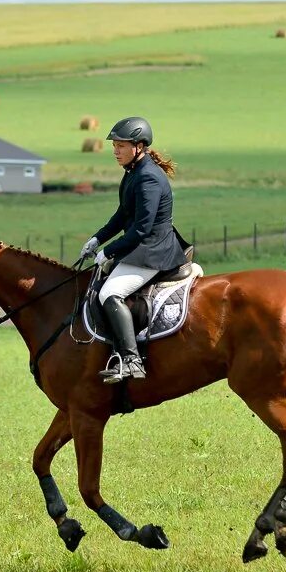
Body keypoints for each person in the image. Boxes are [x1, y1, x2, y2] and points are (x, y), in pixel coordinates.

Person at [78, 116, 187, 383]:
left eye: (121, 146)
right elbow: (122, 215)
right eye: (114, 146)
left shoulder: (147, 177)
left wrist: (110, 251)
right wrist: (97, 239)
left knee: (110, 293)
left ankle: (131, 360)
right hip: (142, 246)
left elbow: (141, 228)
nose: (116, 151)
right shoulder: (133, 173)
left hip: (153, 251)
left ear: (139, 146)